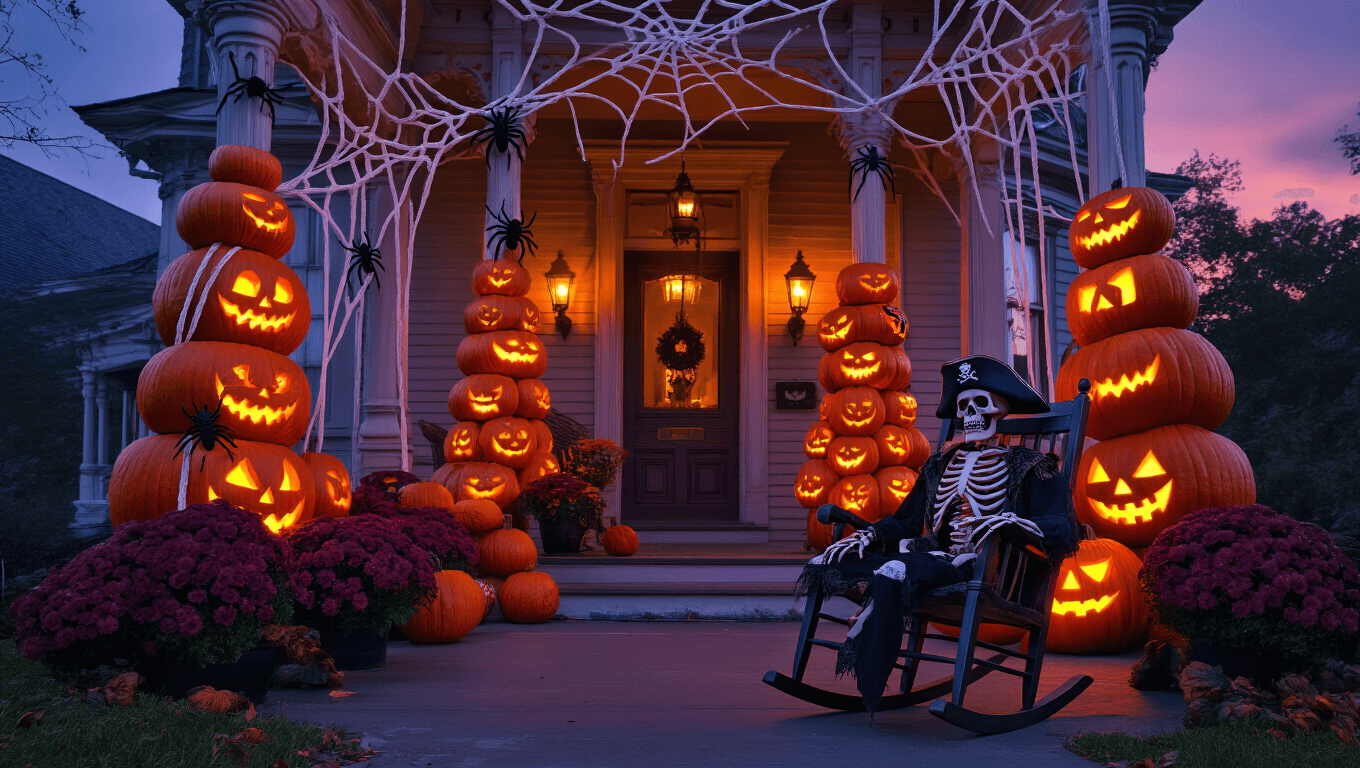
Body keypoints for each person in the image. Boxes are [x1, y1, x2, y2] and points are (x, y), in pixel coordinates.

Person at [796, 355, 1079, 715]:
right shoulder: (939, 464)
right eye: (963, 406)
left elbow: (1061, 526)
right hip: (935, 558)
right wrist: (868, 535)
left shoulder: (1030, 465)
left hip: (983, 569)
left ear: (1000, 410)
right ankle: (870, 651)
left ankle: (868, 667)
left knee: (894, 570)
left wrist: (1011, 521)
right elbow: (905, 522)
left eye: (981, 404)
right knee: (830, 560)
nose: (970, 415)